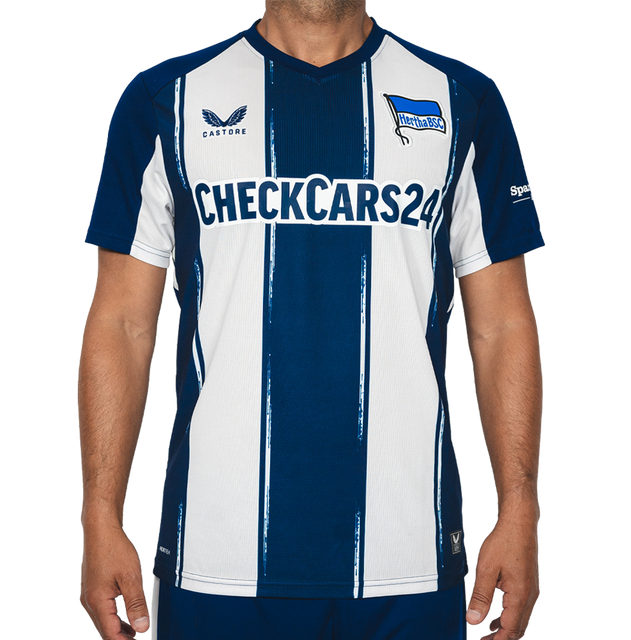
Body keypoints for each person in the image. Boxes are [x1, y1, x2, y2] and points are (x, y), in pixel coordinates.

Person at [77, 1, 546, 638]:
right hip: (217, 561)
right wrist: (99, 515)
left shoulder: (464, 100)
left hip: (408, 560)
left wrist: (520, 508)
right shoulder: (165, 98)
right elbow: (123, 326)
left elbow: (502, 326)